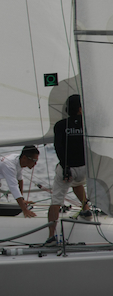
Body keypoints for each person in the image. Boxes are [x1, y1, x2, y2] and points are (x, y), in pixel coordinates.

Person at [47, 94, 91, 244]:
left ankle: (51, 236)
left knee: (56, 201)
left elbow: (58, 148)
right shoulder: (88, 124)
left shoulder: (60, 125)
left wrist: (65, 166)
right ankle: (86, 209)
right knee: (78, 183)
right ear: (80, 108)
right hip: (85, 169)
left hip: (68, 170)